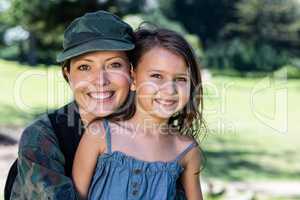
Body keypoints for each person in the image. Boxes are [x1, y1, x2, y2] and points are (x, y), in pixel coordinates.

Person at [6, 10, 135, 200]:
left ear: (132, 71)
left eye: (114, 65)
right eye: (85, 67)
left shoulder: (153, 130)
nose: (100, 80)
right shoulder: (44, 137)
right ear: (67, 74)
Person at [72, 28, 205, 200]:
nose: (169, 89)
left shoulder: (186, 151)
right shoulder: (100, 135)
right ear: (133, 79)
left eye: (181, 79)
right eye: (157, 76)